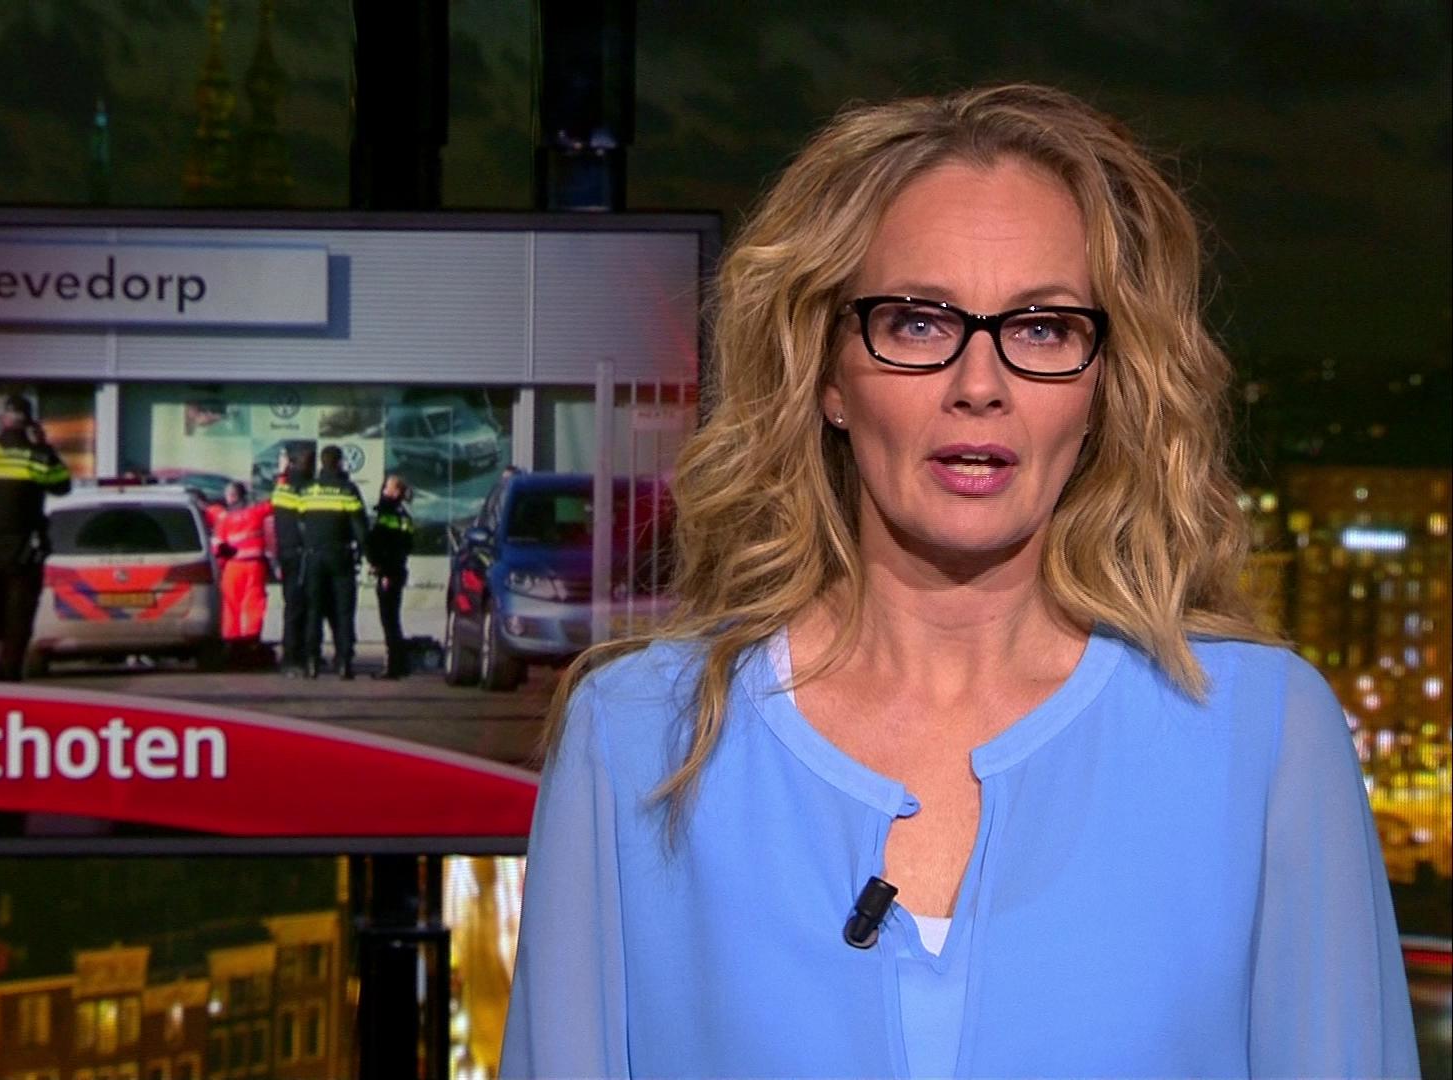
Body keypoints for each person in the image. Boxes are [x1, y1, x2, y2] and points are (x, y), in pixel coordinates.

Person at [501, 84, 1420, 1079]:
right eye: (916, 322)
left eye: (1043, 328)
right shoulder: (639, 740)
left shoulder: (1264, 740)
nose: (980, 385)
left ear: (1104, 383)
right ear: (826, 373)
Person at [0, 395, 71, 681]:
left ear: (2, 420)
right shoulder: (37, 457)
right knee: (19, 616)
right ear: (29, 422)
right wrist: (44, 445)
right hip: (23, 551)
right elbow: (62, 486)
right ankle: (10, 668)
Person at [299, 445, 368, 679]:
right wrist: (366, 553)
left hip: (313, 556)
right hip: (340, 556)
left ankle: (311, 662)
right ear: (339, 462)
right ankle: (344, 662)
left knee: (314, 610)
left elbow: (301, 521)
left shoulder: (308, 490)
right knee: (344, 611)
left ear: (322, 462)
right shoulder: (347, 490)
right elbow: (360, 527)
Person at [204, 480, 277, 668]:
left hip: (233, 568)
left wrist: (220, 568)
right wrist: (283, 477)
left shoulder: (224, 519)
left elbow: (218, 547)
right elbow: (275, 502)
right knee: (253, 604)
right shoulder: (255, 512)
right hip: (254, 566)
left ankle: (233, 644)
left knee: (231, 606)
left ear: (231, 497)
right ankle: (251, 642)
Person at [366, 473, 416, 679]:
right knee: (393, 619)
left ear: (396, 492)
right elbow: (406, 546)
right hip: (397, 570)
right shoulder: (404, 514)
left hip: (389, 572)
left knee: (389, 621)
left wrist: (380, 567)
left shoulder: (388, 513)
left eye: (387, 487)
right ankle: (399, 663)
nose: (383, 490)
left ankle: (393, 666)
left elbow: (383, 544)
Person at [270, 448, 312, 677]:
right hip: (302, 554)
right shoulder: (308, 490)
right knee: (303, 609)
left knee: (292, 608)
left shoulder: (281, 491)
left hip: (286, 553)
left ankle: (291, 657)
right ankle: (298, 658)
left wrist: (282, 472)